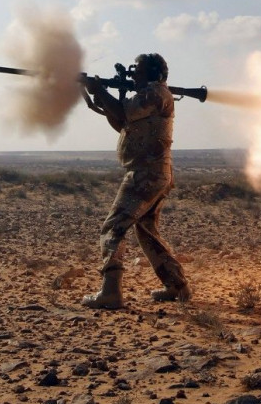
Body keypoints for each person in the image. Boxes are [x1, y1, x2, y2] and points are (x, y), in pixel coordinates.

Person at [81, 53, 190, 309]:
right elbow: (121, 123)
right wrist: (101, 97)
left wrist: (100, 90)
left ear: (154, 74)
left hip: (145, 174)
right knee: (147, 231)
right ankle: (176, 284)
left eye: (138, 70)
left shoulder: (154, 93)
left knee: (113, 227)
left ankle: (110, 292)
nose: (133, 74)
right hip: (154, 173)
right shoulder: (151, 96)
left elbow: (124, 112)